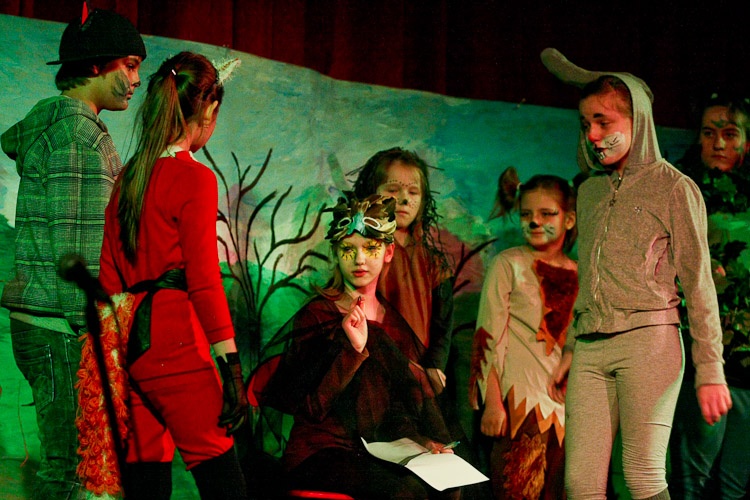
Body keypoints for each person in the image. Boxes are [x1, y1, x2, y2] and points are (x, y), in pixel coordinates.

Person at [540, 48, 732, 500]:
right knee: (580, 485)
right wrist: (571, 346)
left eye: (603, 121)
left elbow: (699, 285)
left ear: (637, 120)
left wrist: (710, 369)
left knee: (642, 477)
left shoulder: (674, 187)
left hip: (649, 343)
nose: (592, 134)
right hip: (591, 347)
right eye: (585, 123)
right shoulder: (589, 191)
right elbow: (591, 279)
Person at [0, 6, 145, 498]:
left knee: (69, 468)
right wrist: (95, 331)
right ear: (94, 65)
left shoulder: (58, 127)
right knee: (68, 472)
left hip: (46, 322)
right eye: (129, 65)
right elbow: (74, 254)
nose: (136, 79)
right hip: (59, 327)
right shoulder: (78, 137)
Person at [95, 52, 248, 499]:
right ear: (209, 110)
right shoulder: (195, 179)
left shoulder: (128, 177)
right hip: (176, 347)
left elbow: (108, 279)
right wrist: (232, 369)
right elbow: (204, 281)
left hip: (131, 351)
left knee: (147, 487)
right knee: (226, 488)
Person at [258, 193, 458, 499]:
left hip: (375, 450)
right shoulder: (319, 314)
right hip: (320, 452)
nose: (360, 259)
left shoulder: (393, 323)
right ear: (336, 253)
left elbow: (397, 408)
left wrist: (423, 442)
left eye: (370, 248)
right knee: (403, 493)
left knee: (447, 486)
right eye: (348, 249)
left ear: (388, 251)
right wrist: (352, 349)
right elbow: (312, 406)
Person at [469, 167, 578, 499]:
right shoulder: (508, 265)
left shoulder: (582, 274)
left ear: (569, 220)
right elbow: (488, 336)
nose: (534, 222)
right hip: (518, 402)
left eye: (547, 214)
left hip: (565, 408)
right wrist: (493, 402)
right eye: (526, 214)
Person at [669, 91, 750, 499]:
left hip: (747, 361)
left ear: (746, 143)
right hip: (699, 353)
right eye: (708, 133)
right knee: (691, 481)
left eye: (729, 133)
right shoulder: (679, 193)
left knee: (733, 485)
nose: (718, 142)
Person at [352, 147, 454, 393]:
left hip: (419, 377)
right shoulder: (361, 254)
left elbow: (442, 324)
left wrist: (435, 366)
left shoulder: (433, 264)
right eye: (393, 190)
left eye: (413, 192)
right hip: (371, 373)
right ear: (372, 194)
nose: (404, 200)